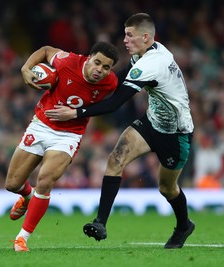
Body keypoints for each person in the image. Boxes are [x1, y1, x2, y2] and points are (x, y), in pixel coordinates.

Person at [45, 13, 195, 249]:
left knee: (167, 188)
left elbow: (115, 102)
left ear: (145, 37)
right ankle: (100, 223)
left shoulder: (150, 64)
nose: (124, 40)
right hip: (152, 121)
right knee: (115, 159)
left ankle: (184, 225)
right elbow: (116, 81)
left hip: (176, 132)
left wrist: (75, 112)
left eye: (129, 35)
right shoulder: (149, 51)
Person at [5, 42, 119, 252]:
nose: (100, 70)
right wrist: (25, 69)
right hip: (41, 125)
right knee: (12, 184)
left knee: (46, 180)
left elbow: (109, 105)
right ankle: (28, 197)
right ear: (88, 58)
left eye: (106, 67)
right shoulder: (68, 61)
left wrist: (77, 113)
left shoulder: (111, 83)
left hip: (69, 134)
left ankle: (22, 238)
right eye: (97, 63)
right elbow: (46, 50)